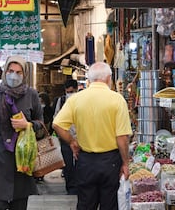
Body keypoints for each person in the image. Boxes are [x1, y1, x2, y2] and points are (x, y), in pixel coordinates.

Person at [53, 62, 133, 210]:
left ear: (89, 80)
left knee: (85, 204)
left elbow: (57, 124)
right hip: (110, 162)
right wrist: (125, 163)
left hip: (85, 161)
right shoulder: (117, 100)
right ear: (109, 78)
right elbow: (122, 138)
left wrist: (72, 142)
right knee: (109, 204)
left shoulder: (76, 99)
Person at [0, 55, 44, 210]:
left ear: (24, 74)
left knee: (19, 204)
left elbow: (42, 124)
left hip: (22, 159)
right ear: (5, 72)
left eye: (19, 72)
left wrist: (28, 124)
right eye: (11, 71)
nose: (14, 75)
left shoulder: (31, 95)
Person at [53, 79, 78, 195]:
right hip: (66, 137)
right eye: (68, 91)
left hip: (80, 138)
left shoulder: (81, 99)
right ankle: (71, 187)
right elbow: (56, 117)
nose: (70, 94)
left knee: (80, 163)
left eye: (72, 91)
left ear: (76, 90)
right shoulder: (61, 100)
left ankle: (79, 185)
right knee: (67, 164)